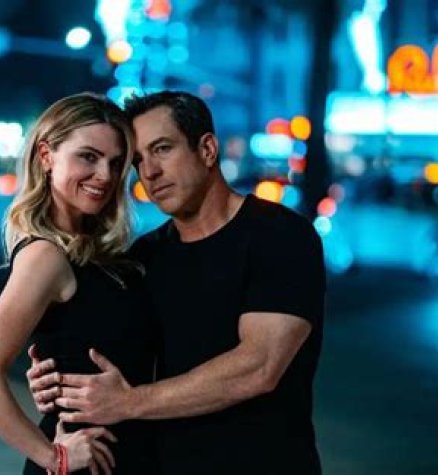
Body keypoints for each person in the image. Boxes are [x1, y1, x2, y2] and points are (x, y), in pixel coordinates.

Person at [27, 91, 326, 474]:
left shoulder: (280, 236)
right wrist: (57, 380)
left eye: (162, 149)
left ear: (207, 149)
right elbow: (104, 344)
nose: (149, 172)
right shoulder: (145, 257)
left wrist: (129, 402)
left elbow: (260, 366)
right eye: (138, 161)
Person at [0, 92, 158, 475]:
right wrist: (53, 457)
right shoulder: (44, 257)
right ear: (46, 156)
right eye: (88, 157)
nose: (105, 175)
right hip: (85, 464)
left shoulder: (91, 253)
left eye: (116, 163)